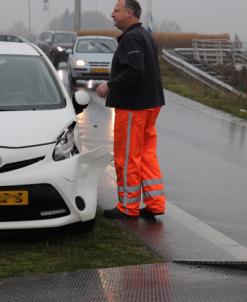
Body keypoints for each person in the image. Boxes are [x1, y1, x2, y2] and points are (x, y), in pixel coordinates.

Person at [96, 0, 166, 219]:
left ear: (130, 13)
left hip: (133, 107)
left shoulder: (132, 37)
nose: (112, 15)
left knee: (127, 157)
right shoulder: (144, 35)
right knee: (146, 155)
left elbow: (135, 70)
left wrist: (110, 85)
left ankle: (128, 206)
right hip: (150, 103)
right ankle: (155, 203)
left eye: (117, 11)